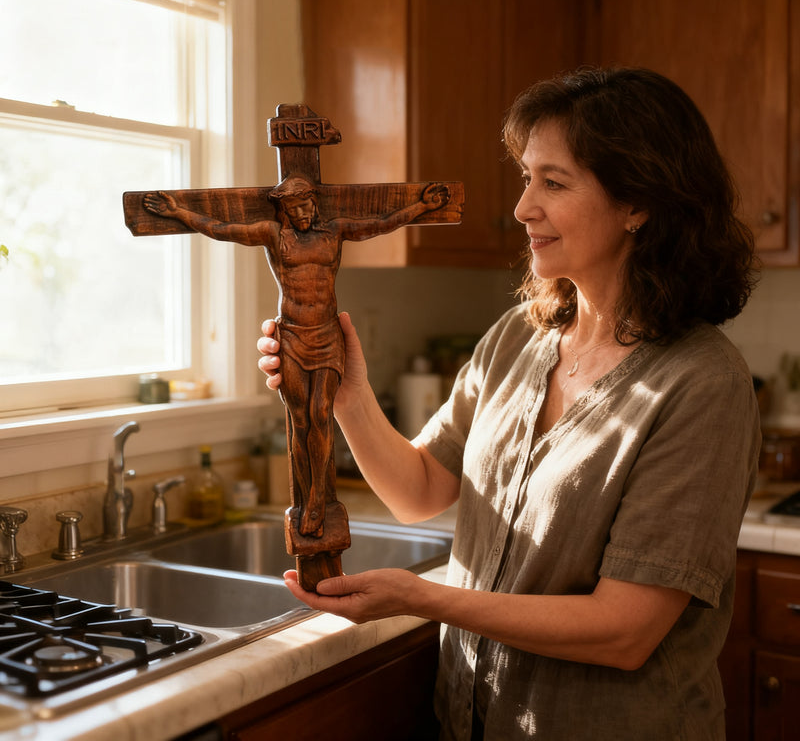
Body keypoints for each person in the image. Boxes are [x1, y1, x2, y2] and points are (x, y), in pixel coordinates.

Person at [256, 66, 761, 740]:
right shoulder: (518, 337)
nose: (523, 207)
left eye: (554, 182)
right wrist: (348, 394)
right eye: (526, 177)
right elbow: (419, 490)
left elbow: (625, 631)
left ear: (637, 203)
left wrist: (422, 597)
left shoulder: (702, 383)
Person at [145, 178, 449, 538]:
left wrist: (421, 207)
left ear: (314, 204)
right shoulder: (274, 235)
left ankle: (318, 496)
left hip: (327, 336)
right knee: (300, 421)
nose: (303, 213)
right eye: (294, 208)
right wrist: (178, 212)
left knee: (320, 413)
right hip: (291, 336)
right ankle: (307, 496)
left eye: (307, 206)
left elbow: (381, 223)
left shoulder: (334, 231)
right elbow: (222, 228)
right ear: (283, 210)